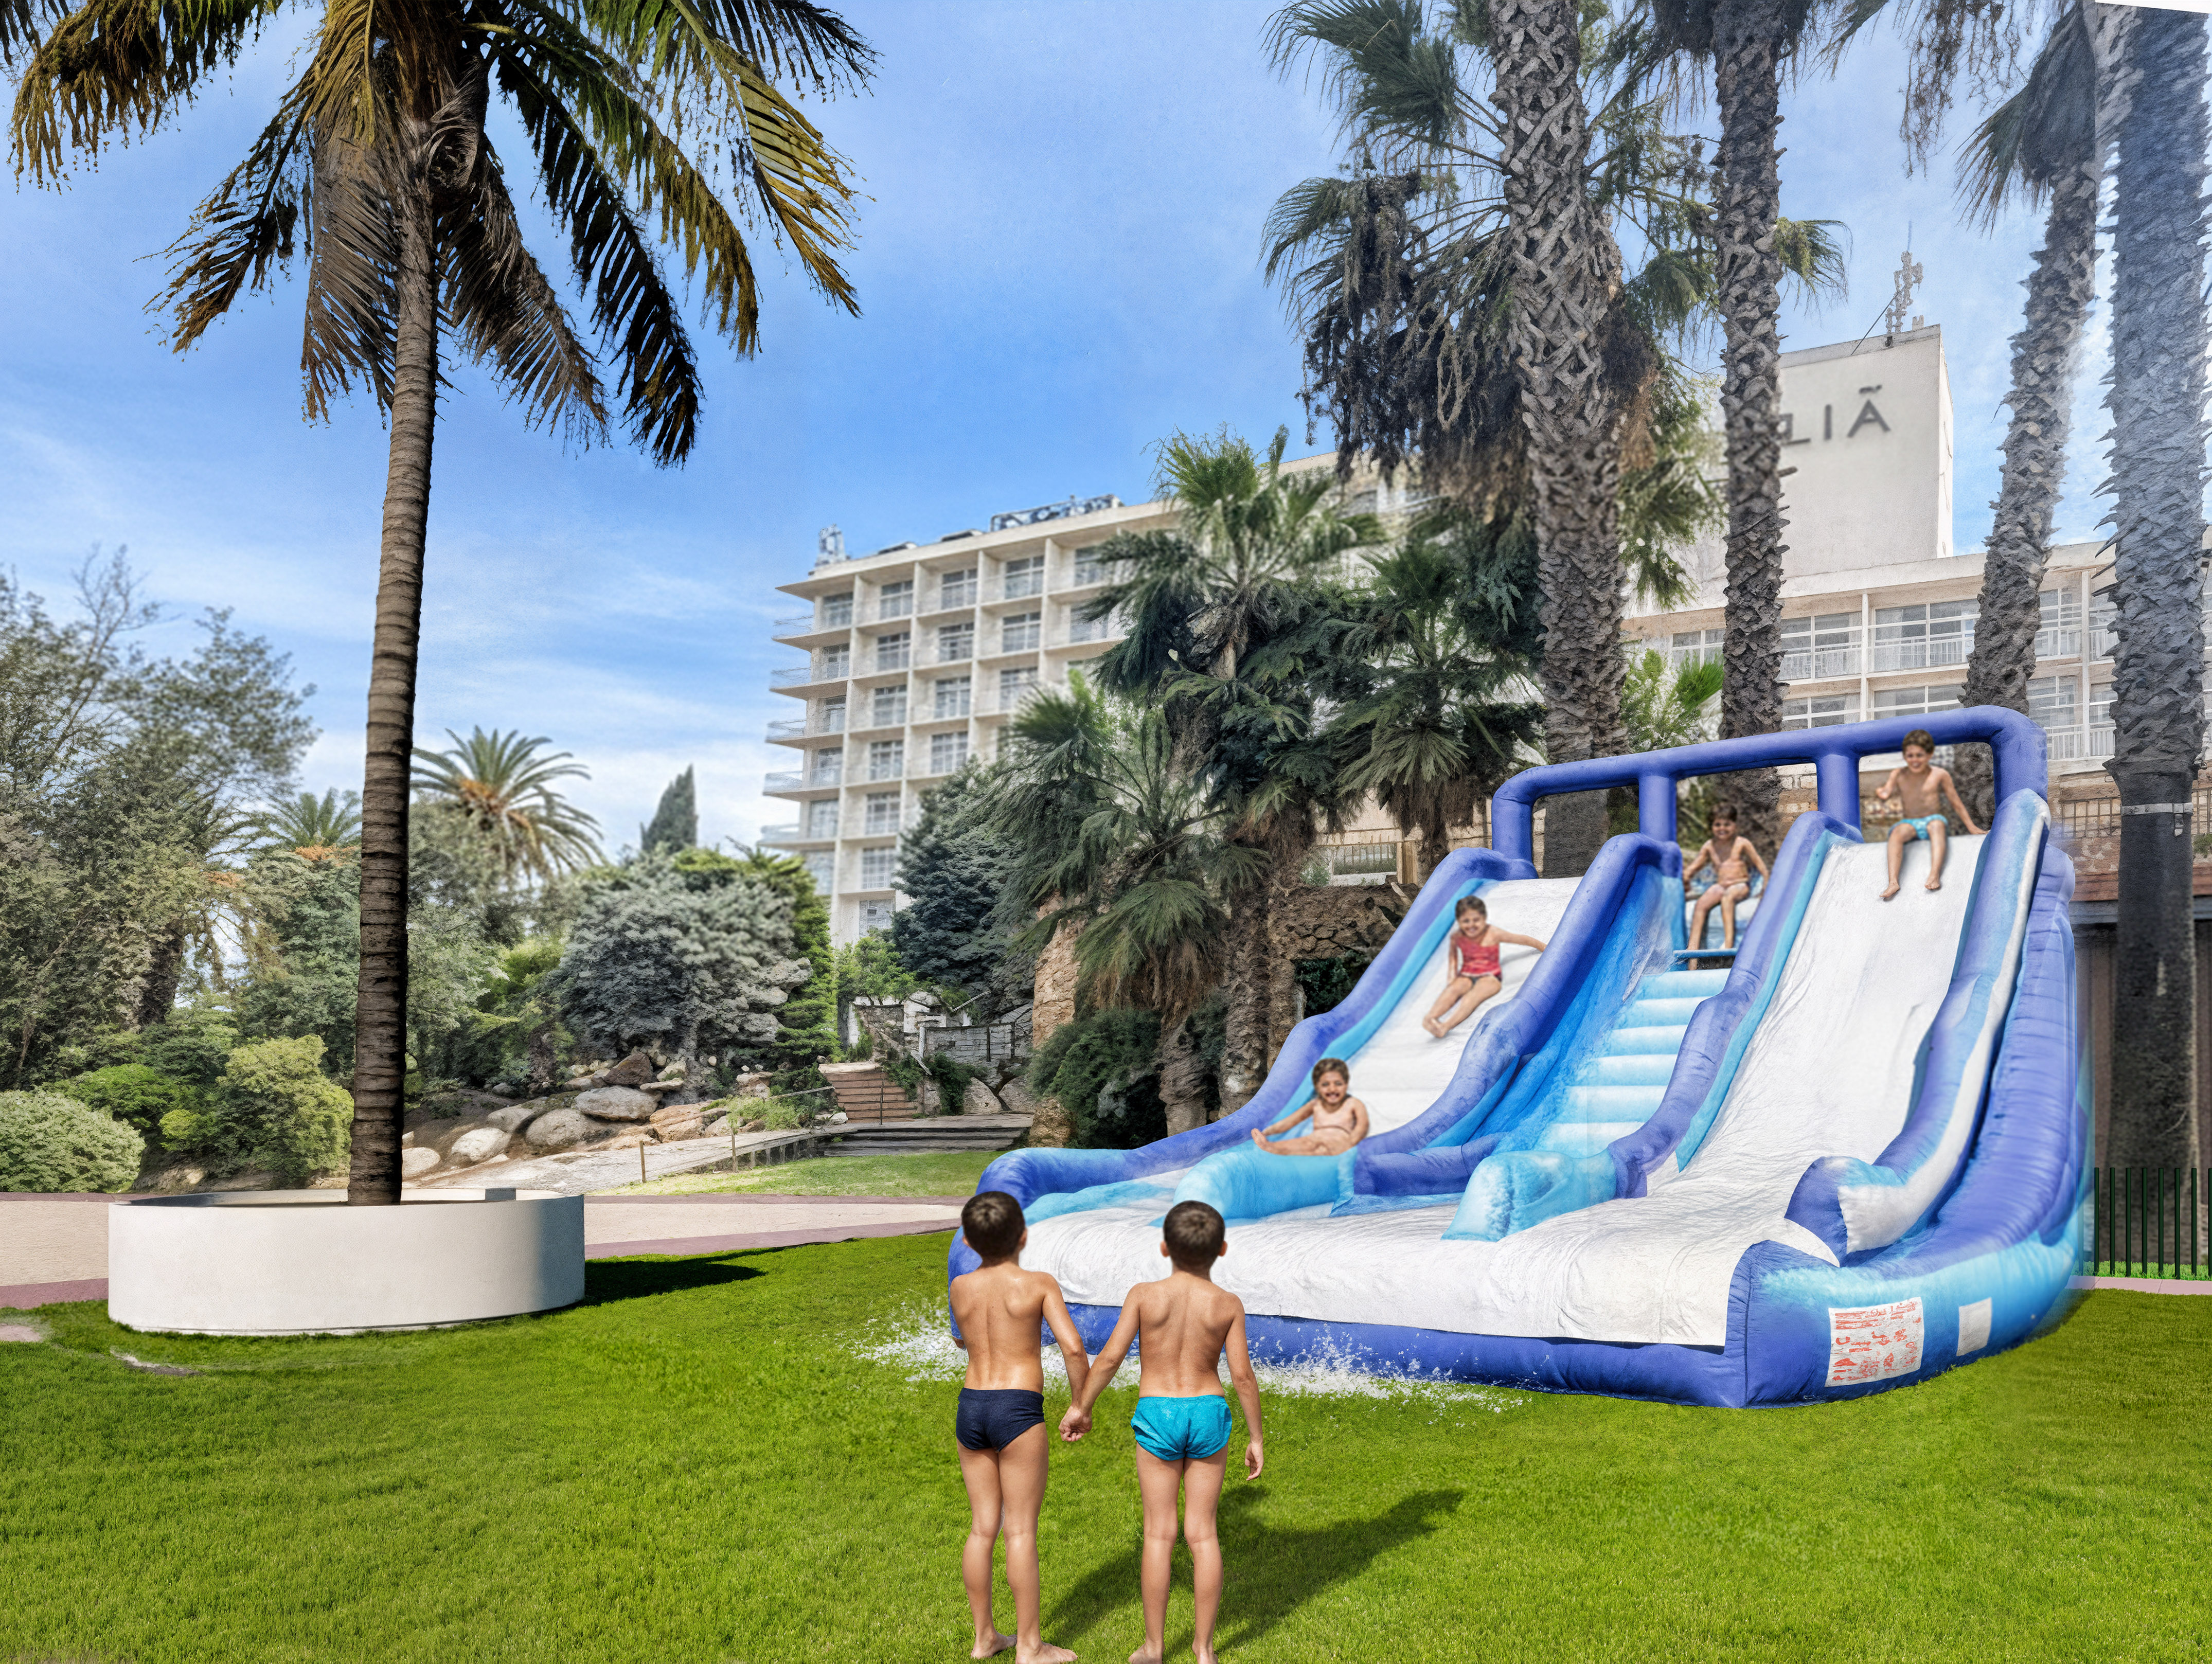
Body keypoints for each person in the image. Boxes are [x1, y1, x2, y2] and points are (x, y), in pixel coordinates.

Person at [1060, 1201, 1264, 1664]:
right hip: (1208, 1409)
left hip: (1158, 1411)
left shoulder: (1144, 1294)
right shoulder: (1227, 1304)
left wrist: (1081, 1406)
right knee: (1203, 1534)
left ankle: (1154, 1647)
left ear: (1164, 1246)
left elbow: (1110, 1357)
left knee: (1159, 1534)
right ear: (1223, 1249)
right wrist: (1256, 1435)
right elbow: (1243, 1375)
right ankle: (1204, 1649)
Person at [949, 1191, 1092, 1663]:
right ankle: (1030, 1646)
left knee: (982, 1527)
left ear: (968, 1239)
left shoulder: (961, 1286)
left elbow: (959, 1336)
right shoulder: (1038, 1283)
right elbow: (1073, 1348)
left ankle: (984, 1636)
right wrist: (1080, 1404)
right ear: (1024, 1235)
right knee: (1021, 1531)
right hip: (1017, 1408)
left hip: (971, 1407)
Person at [1874, 729, 1984, 900]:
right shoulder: (1898, 774)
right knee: (1897, 833)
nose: (1915, 760)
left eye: (1920, 755)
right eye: (1910, 756)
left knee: (1937, 826)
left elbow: (1956, 802)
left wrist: (1972, 827)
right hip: (1911, 823)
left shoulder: (1939, 775)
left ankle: (1934, 874)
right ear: (1905, 756)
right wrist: (1883, 793)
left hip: (1933, 819)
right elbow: (1887, 791)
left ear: (1929, 755)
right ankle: (1893, 882)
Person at [1422, 894, 1548, 1038]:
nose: (1471, 925)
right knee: (1453, 989)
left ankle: (1445, 1026)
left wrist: (1543, 946)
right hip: (1467, 974)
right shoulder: (1458, 937)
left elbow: (1521, 939)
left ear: (1484, 919)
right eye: (1466, 921)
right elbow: (1453, 958)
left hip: (1490, 977)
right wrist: (1452, 976)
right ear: (1459, 921)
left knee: (1471, 998)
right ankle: (1431, 1018)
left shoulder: (1492, 933)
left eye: (1476, 920)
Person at [1682, 804, 1770, 951]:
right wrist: (1685, 877)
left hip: (1740, 886)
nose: (1722, 828)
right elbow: (1695, 866)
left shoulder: (1742, 843)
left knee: (1728, 898)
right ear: (1712, 827)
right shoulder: (1710, 846)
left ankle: (1728, 943)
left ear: (1734, 826)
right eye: (1718, 825)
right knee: (1701, 905)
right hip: (1721, 886)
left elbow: (1762, 869)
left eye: (1727, 825)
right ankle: (1692, 952)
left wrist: (1764, 889)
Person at [1248, 1057, 1369, 1156]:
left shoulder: (1353, 1103)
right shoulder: (1316, 1104)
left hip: (1339, 1143)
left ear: (1346, 1084)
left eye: (1338, 1084)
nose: (1332, 1089)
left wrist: (1351, 1143)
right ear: (1317, 1087)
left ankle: (1270, 1149)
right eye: (1326, 1084)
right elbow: (1291, 1121)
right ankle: (1268, 1147)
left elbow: (1362, 1127)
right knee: (1294, 1144)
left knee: (1321, 1149)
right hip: (1313, 1140)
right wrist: (1268, 1131)